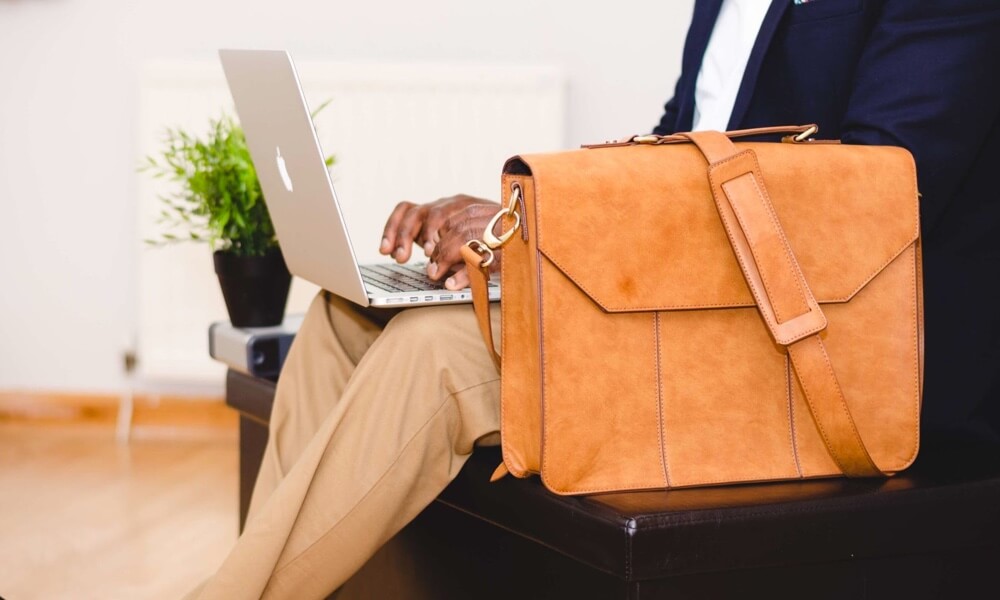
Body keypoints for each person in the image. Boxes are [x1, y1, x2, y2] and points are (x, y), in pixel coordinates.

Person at [192, 1, 1000, 597]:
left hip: (822, 354)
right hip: (695, 313)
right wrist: (525, 229)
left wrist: (553, 228)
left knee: (441, 353)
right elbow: (677, 144)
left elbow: (859, 200)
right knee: (345, 319)